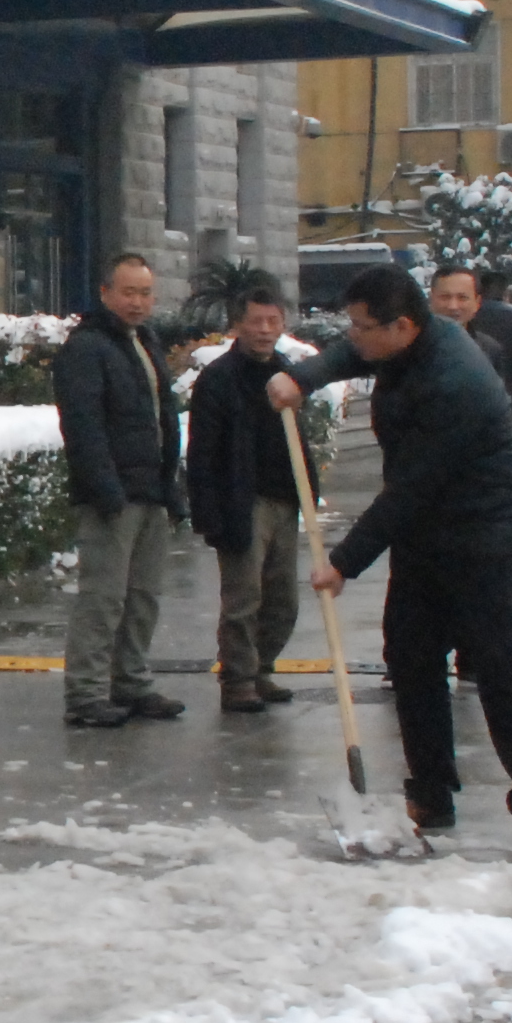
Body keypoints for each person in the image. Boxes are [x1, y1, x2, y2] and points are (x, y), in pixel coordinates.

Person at [271, 266, 512, 847]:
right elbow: (352, 354)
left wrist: (344, 562)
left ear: (401, 326)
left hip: (486, 527)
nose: (353, 335)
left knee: (495, 658)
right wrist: (302, 378)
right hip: (426, 527)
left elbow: (409, 492)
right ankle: (430, 792)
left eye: (362, 326)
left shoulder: (455, 381)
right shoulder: (404, 341)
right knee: (410, 655)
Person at [57, 251, 185, 728]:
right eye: (128, 292)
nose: (138, 302)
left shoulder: (145, 342)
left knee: (143, 597)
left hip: (150, 490)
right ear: (105, 293)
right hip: (112, 498)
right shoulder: (86, 348)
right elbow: (83, 427)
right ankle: (86, 693)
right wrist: (106, 490)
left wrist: (170, 488)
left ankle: (131, 682)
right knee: (103, 599)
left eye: (145, 293)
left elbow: (161, 419)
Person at [185, 277, 305, 713]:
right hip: (241, 501)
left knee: (283, 600)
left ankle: (261, 667)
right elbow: (201, 453)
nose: (265, 330)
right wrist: (208, 514)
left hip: (284, 499)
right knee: (244, 598)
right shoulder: (219, 379)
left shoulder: (285, 372)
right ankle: (238, 679)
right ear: (238, 325)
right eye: (256, 321)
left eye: (273, 321)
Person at [432, 264, 512, 418]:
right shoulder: (410, 346)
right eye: (445, 297)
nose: (453, 306)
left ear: (477, 301)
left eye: (462, 297)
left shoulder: (490, 348)